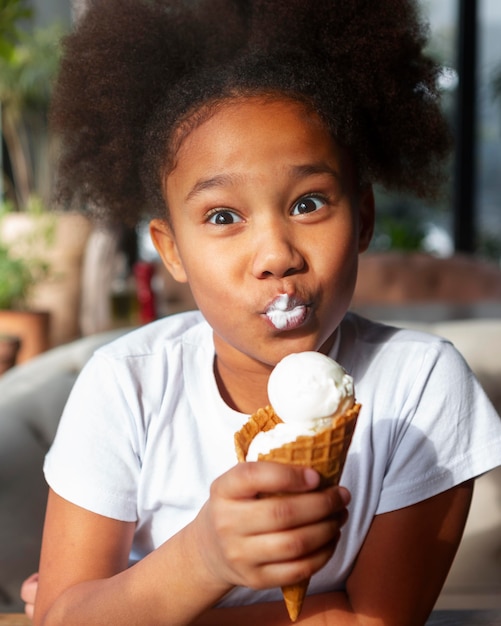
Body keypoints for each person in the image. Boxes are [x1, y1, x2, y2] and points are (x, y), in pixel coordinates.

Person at [21, 1, 501, 624]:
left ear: (365, 217)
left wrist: (133, 606)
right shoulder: (126, 385)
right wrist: (203, 558)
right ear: (171, 250)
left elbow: (372, 623)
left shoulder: (422, 386)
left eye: (308, 203)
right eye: (223, 217)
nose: (276, 255)